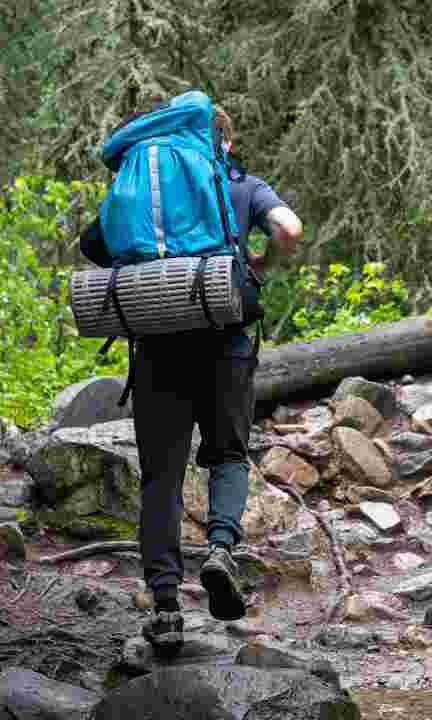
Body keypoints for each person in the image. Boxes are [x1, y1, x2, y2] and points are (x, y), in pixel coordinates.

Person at [133, 103, 303, 658]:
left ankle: (164, 609)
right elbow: (289, 228)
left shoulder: (144, 188)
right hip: (227, 341)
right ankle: (221, 548)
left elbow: (95, 246)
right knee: (228, 454)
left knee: (160, 477)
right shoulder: (244, 186)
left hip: (159, 349)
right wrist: (262, 264)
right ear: (223, 143)